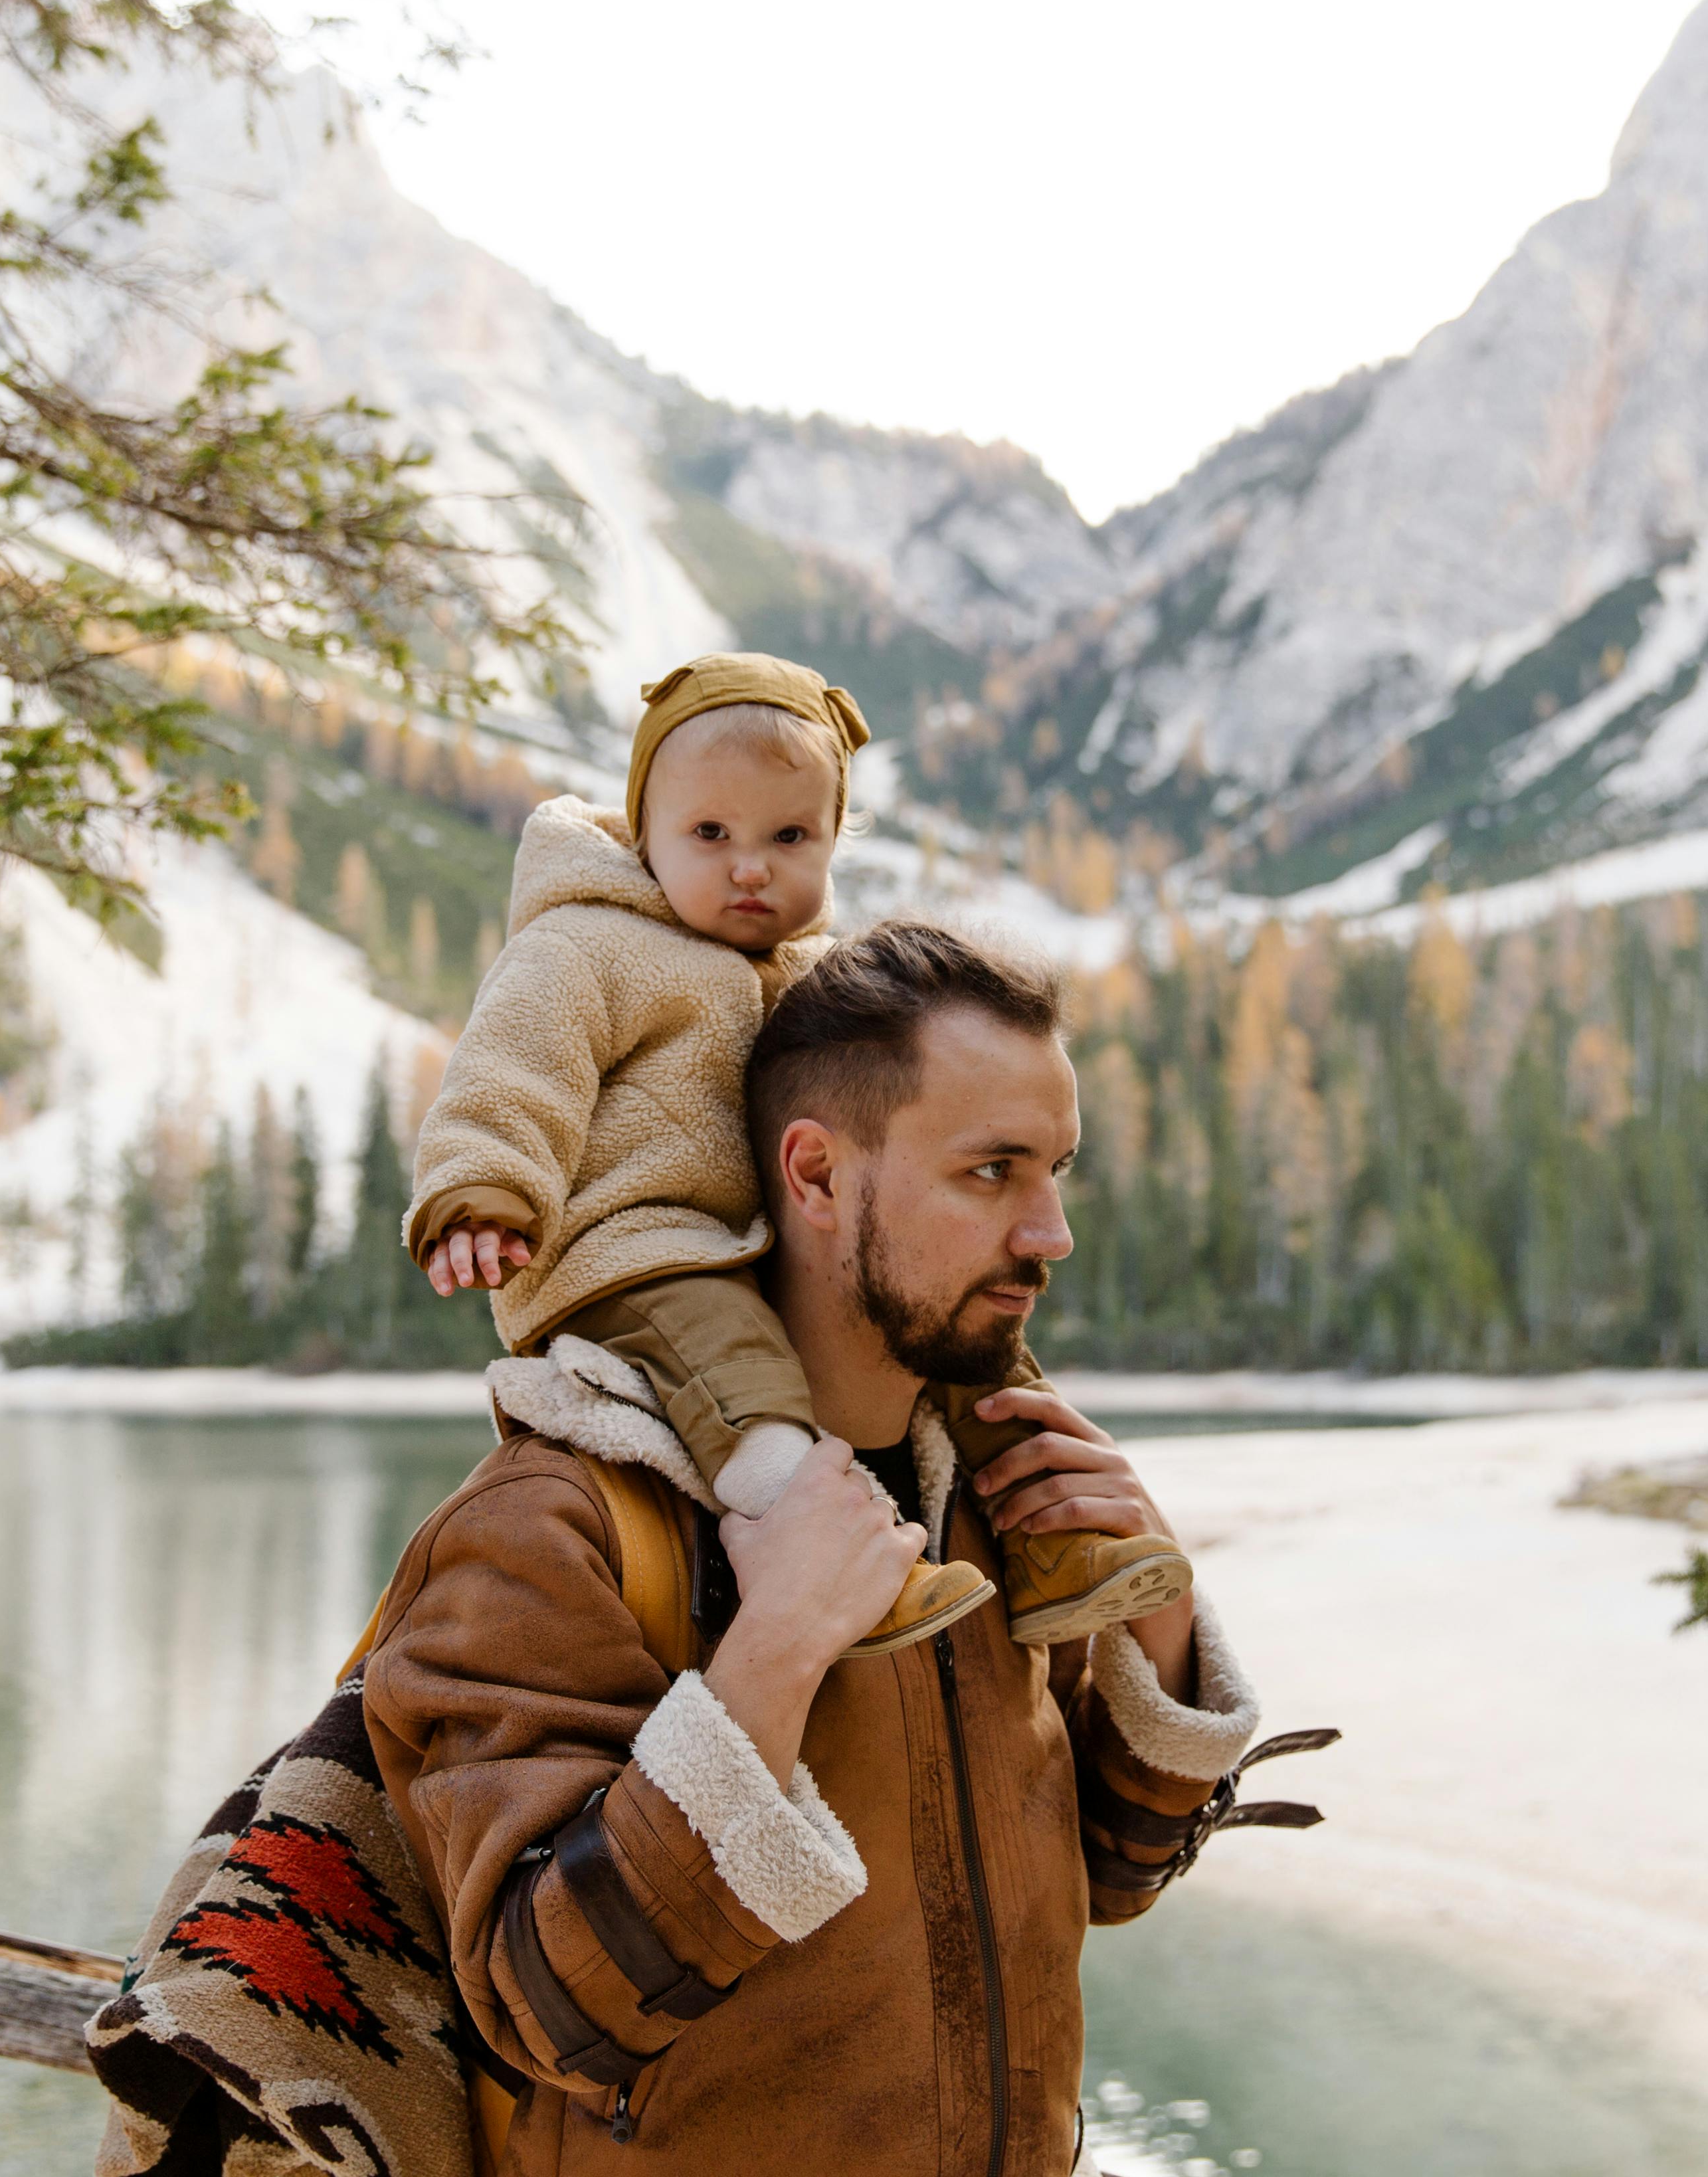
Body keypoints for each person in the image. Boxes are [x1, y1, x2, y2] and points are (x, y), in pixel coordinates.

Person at [363, 921, 1263, 2177]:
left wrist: (1153, 1625)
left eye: (1057, 1171)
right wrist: (772, 1652)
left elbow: (1105, 1877)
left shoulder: (982, 1493)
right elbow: (546, 2001)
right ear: (818, 1176)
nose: (1048, 1232)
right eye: (993, 1173)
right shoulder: (560, 1517)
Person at [402, 651, 1192, 1657]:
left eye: (789, 837)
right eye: (710, 834)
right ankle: (809, 1539)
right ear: (643, 832)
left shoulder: (815, 980)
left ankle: (1058, 1556)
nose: (750, 866)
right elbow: (513, 1072)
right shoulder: (584, 946)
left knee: (995, 1370)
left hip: (745, 1247)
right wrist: (483, 1190)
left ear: (832, 841)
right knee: (734, 1369)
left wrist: (1168, 1644)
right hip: (636, 1252)